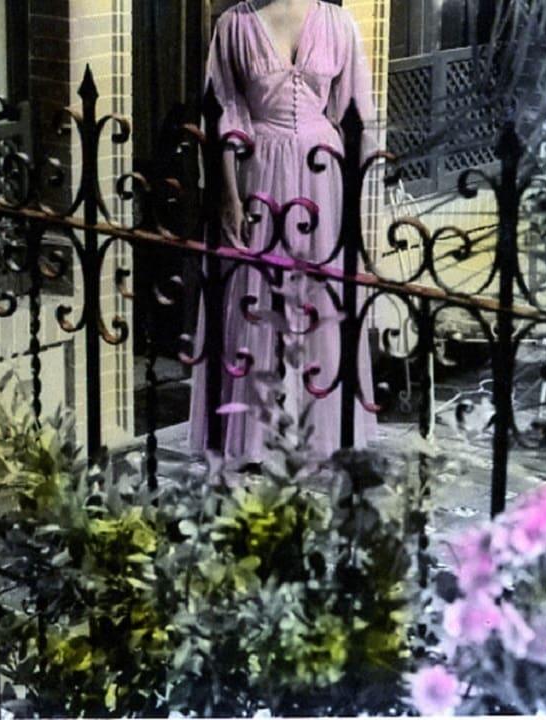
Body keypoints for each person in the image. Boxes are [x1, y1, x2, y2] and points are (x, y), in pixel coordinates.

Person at [188, 0, 378, 462]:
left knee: (319, 297)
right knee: (256, 298)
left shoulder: (338, 25)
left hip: (321, 176)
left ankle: (320, 429)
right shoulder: (234, 26)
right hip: (262, 172)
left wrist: (353, 200)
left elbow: (356, 116)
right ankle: (254, 437)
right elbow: (224, 115)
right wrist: (230, 196)